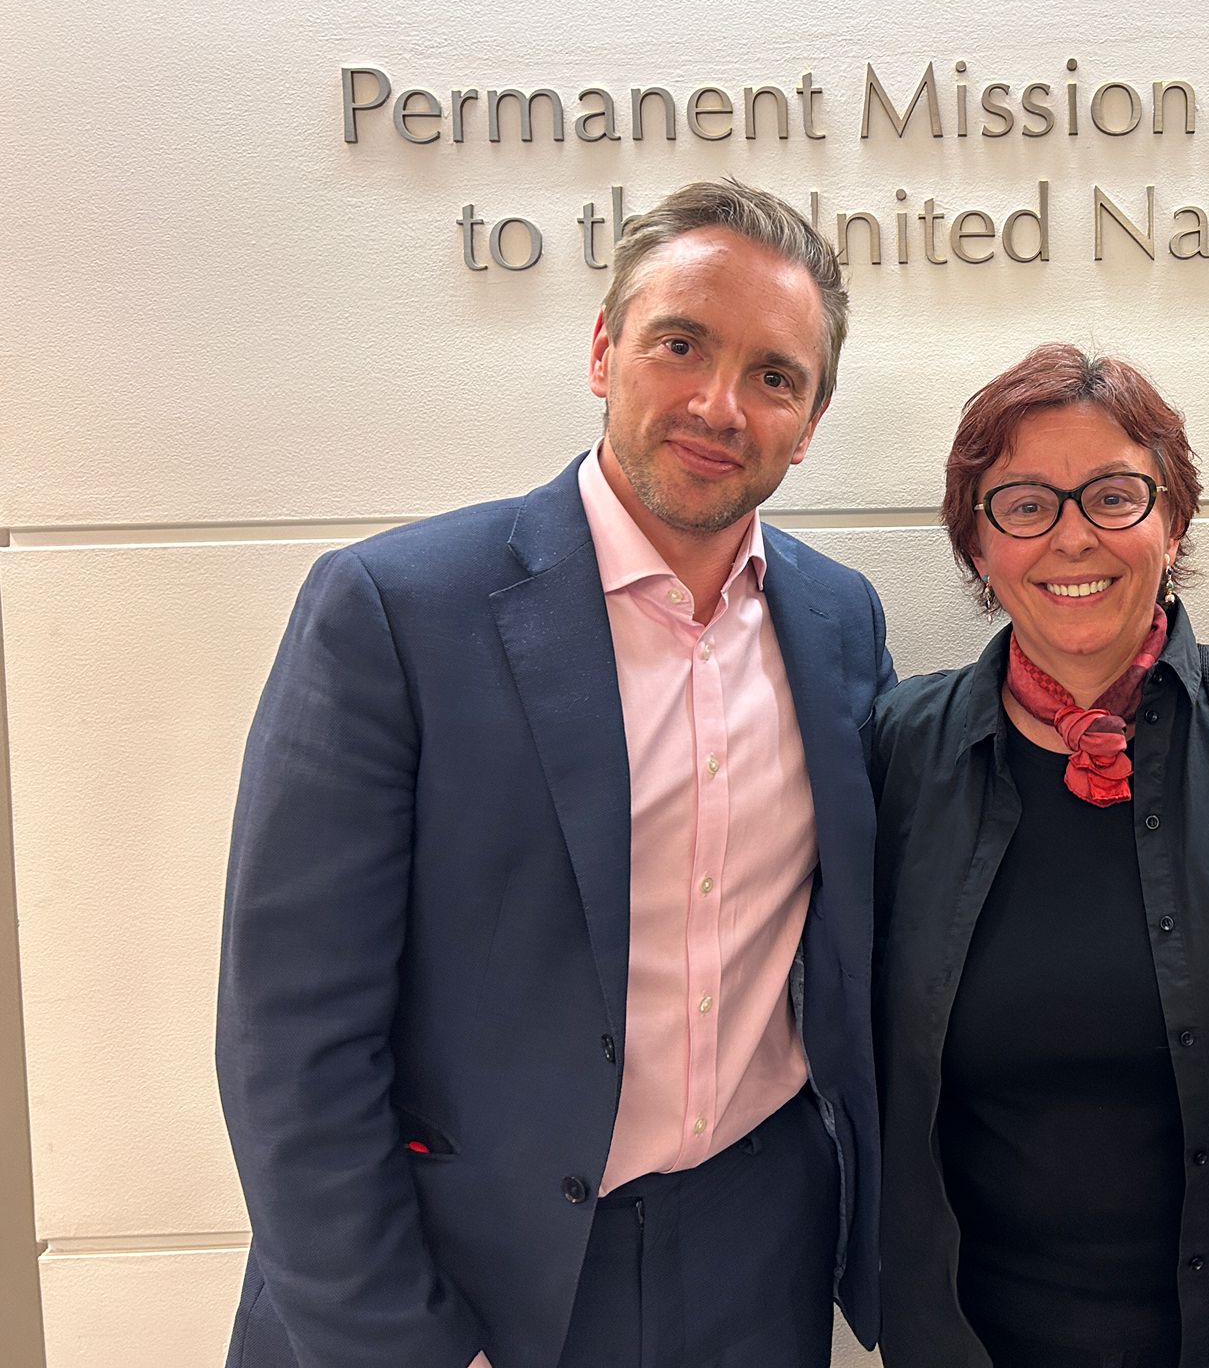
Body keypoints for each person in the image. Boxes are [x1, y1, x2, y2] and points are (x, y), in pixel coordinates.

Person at [216, 178, 893, 1368]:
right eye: (679, 343)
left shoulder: (838, 622)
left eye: (773, 376)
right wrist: (402, 1345)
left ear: (811, 418)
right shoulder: (393, 610)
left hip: (753, 1266)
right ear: (602, 350)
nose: (717, 403)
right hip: (467, 1280)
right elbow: (292, 1040)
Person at [868, 343, 1209, 1368]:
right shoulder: (901, 751)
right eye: (1023, 504)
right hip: (981, 1343)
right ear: (976, 549)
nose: (1071, 536)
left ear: (1171, 523)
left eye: (1112, 495)